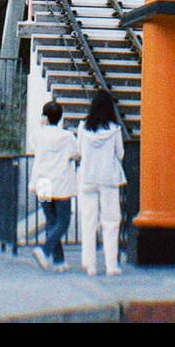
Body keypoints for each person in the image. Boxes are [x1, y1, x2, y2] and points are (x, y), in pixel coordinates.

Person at [77, 89, 126, 276]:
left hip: (88, 177)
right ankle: (111, 264)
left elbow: (80, 151)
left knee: (89, 221)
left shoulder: (83, 128)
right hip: (108, 179)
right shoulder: (115, 129)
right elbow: (120, 154)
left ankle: (90, 265)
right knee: (111, 221)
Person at [29, 99, 79, 272]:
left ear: (45, 117)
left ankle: (59, 261)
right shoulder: (67, 137)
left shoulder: (37, 134)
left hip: (42, 179)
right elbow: (76, 154)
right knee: (63, 221)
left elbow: (33, 147)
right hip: (61, 180)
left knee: (51, 220)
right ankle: (45, 250)